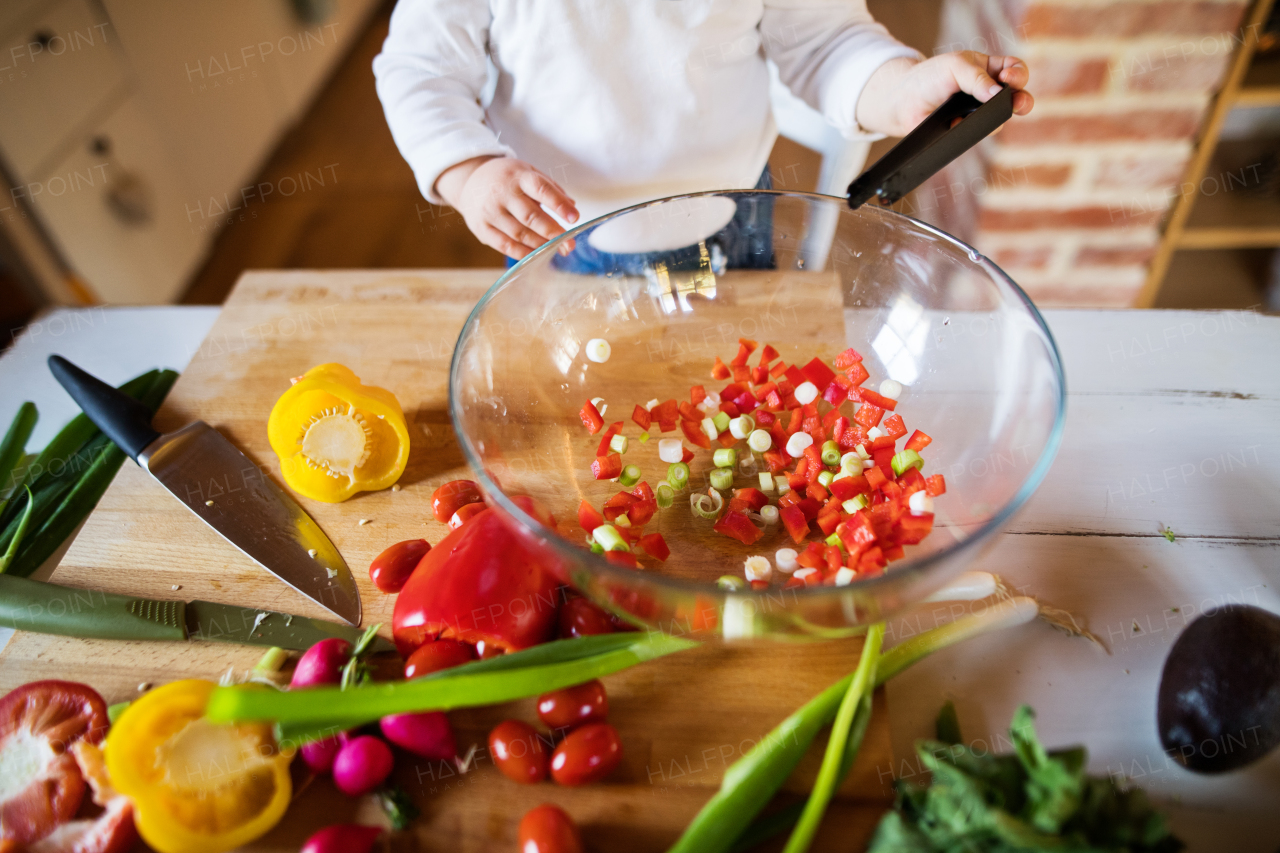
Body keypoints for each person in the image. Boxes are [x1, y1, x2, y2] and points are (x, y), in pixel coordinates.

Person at [374, 1, 1033, 269]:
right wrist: (466, 170)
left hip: (732, 215)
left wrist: (897, 88)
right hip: (554, 232)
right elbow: (419, 67)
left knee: (725, 384)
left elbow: (826, 41)